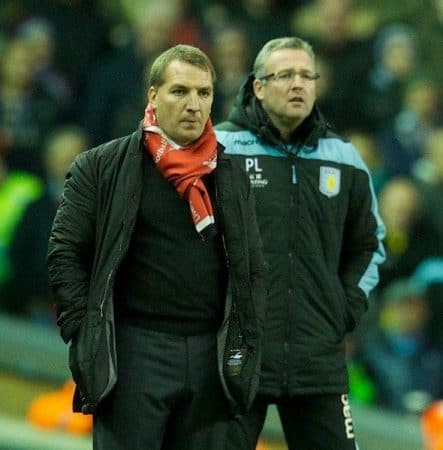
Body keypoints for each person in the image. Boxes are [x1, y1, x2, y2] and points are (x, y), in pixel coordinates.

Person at [47, 44, 267, 450]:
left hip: (210, 361)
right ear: (152, 95)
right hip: (133, 352)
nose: (193, 105)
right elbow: (64, 254)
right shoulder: (101, 166)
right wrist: (84, 332)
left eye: (203, 94)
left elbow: (252, 268)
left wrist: (245, 343)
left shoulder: (231, 176)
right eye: (179, 91)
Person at [215, 36, 386, 450]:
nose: (298, 85)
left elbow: (370, 243)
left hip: (317, 360)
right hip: (238, 355)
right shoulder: (220, 149)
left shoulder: (344, 159)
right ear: (258, 86)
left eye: (307, 75)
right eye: (286, 75)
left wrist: (341, 308)